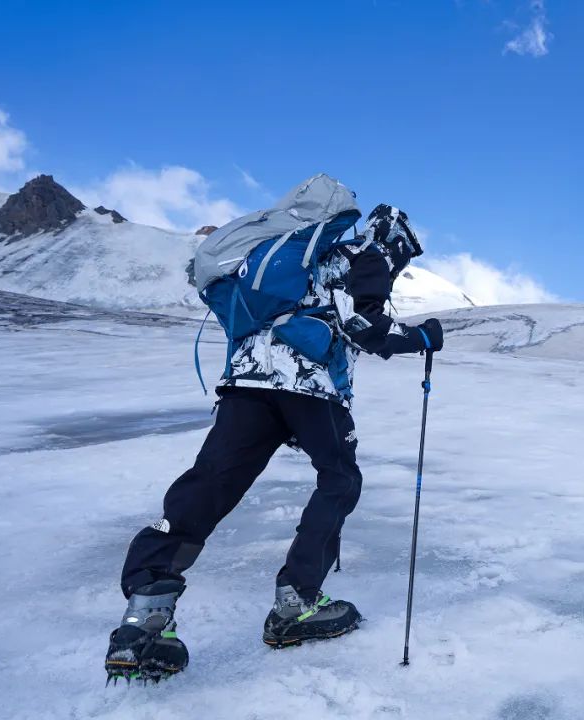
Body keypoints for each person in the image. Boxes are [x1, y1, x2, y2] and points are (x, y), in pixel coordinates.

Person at [105, 193, 445, 682]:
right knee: (339, 480)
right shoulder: (364, 256)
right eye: (405, 252)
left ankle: (143, 617)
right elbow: (366, 326)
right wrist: (425, 337)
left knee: (210, 484)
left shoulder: (304, 259)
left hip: (247, 382)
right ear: (394, 240)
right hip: (310, 386)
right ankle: (297, 603)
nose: (402, 261)